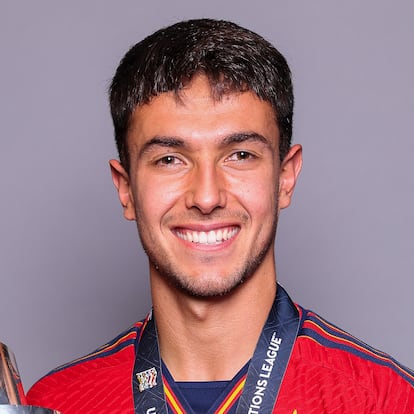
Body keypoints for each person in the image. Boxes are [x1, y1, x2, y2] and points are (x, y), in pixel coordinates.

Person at [27, 18, 413, 413]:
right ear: (125, 188)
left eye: (240, 155)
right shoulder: (56, 403)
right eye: (170, 159)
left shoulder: (385, 400)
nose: (207, 197)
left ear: (285, 177)